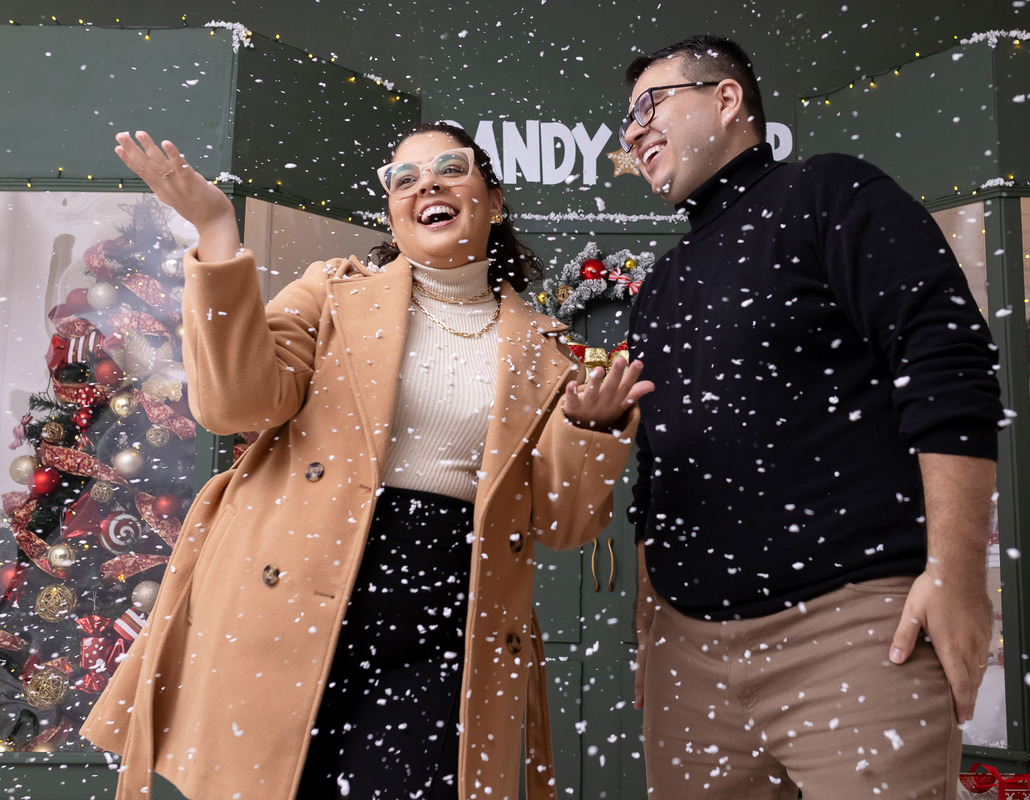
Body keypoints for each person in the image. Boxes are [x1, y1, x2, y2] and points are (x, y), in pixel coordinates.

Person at [79, 122, 653, 800]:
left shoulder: (548, 351)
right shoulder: (329, 296)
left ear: (493, 201)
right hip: (296, 595)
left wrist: (592, 427)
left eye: (450, 168)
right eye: (403, 179)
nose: (426, 185)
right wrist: (216, 231)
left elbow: (563, 524)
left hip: (450, 618)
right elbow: (235, 404)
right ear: (392, 213)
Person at [620, 35, 1004, 799]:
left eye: (649, 105)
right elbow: (657, 468)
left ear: (727, 100)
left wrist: (955, 574)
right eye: (625, 123)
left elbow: (948, 366)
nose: (632, 132)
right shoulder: (661, 282)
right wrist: (649, 627)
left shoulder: (830, 193)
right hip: (687, 654)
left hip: (855, 633)